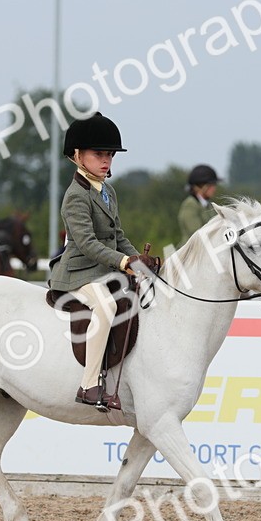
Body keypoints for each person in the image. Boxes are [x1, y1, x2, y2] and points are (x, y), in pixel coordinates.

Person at [48, 113, 159, 411]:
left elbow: (118, 236)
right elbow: (87, 244)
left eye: (109, 154)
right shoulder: (75, 196)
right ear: (77, 155)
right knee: (107, 306)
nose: (106, 160)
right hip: (77, 274)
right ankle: (88, 384)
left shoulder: (107, 191)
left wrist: (140, 260)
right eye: (99, 154)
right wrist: (124, 262)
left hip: (103, 271)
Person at [178, 164, 220, 241]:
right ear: (202, 186)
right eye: (211, 185)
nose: (214, 189)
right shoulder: (190, 205)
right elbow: (196, 232)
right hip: (192, 250)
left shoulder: (209, 205)